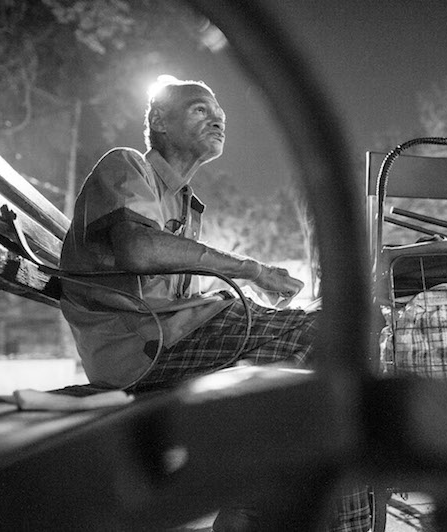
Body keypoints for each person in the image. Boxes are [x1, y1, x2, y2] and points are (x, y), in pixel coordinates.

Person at [59, 76, 370, 531]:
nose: (218, 117)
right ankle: (257, 509)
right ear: (160, 121)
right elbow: (137, 251)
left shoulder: (186, 204)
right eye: (200, 108)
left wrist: (234, 295)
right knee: (329, 342)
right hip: (141, 348)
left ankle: (251, 502)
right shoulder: (126, 165)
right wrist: (251, 270)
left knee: (315, 366)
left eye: (219, 111)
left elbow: (171, 292)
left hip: (170, 335)